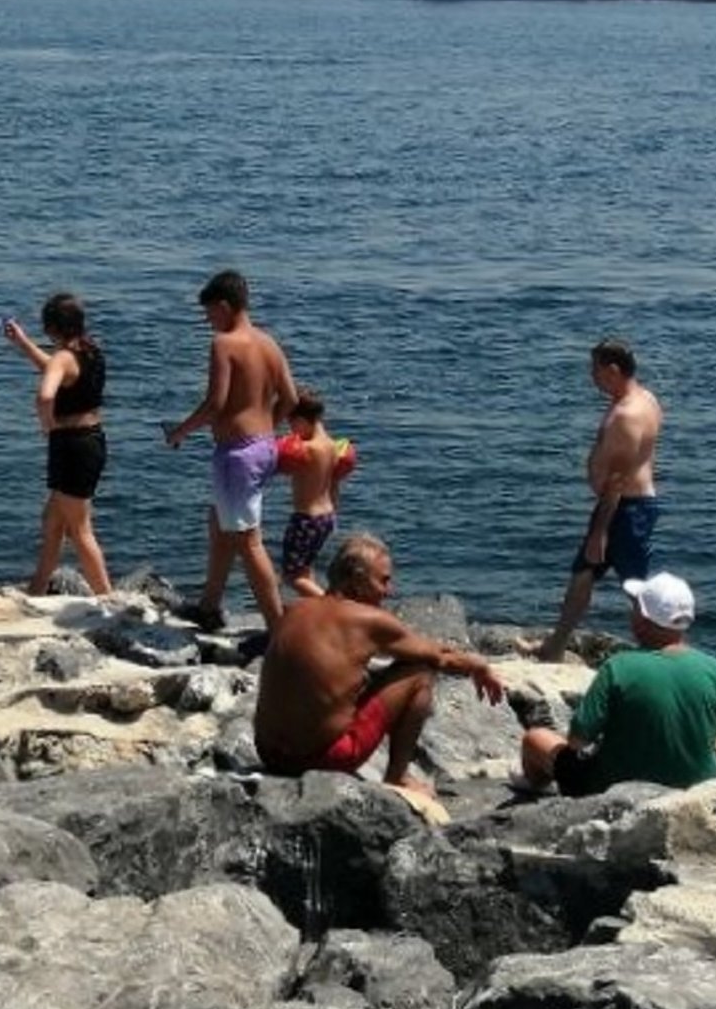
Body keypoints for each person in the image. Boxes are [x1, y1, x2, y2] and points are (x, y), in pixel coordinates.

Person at [252, 532, 506, 796]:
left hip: (268, 753)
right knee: (420, 673)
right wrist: (478, 665)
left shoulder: (295, 609)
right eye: (383, 581)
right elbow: (439, 657)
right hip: (321, 760)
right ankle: (397, 777)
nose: (389, 590)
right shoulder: (369, 621)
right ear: (358, 582)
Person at [517, 571, 716, 795]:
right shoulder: (714, 668)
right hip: (698, 785)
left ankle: (535, 787)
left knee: (535, 738)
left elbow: (577, 740)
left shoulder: (618, 667)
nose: (630, 612)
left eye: (635, 606)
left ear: (643, 619)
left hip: (611, 786)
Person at [164, 267, 299, 630]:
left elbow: (215, 404)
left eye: (210, 313)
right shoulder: (269, 343)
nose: (209, 322)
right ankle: (209, 606)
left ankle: (278, 630)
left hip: (236, 454)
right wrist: (266, 426)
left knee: (247, 541)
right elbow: (290, 398)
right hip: (263, 447)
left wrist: (179, 432)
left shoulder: (224, 344)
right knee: (220, 525)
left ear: (224, 306)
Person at [540, 336, 664, 662]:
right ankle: (554, 646)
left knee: (635, 586)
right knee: (583, 573)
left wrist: (600, 532)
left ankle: (661, 651)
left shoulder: (626, 415)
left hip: (625, 508)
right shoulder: (646, 398)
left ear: (612, 370)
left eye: (594, 370)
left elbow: (618, 479)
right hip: (627, 504)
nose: (590, 377)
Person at [2, 291, 114, 596]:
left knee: (79, 530)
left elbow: (45, 395)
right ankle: (37, 590)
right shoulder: (90, 350)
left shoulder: (64, 357)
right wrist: (23, 344)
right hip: (92, 440)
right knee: (52, 522)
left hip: (71, 446)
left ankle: (109, 600)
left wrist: (47, 425)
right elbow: (57, 370)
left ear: (52, 327)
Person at [274, 389, 357, 598]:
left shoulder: (308, 449)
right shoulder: (332, 447)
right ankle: (317, 614)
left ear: (302, 420)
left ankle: (332, 606)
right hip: (326, 518)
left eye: (291, 423)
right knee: (305, 569)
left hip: (306, 519)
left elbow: (274, 460)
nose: (291, 430)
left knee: (291, 576)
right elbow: (334, 484)